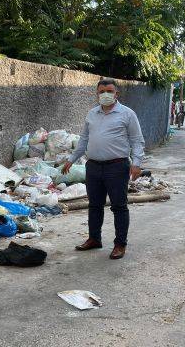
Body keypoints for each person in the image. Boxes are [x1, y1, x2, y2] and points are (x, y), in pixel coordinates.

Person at [62, 78, 145, 259]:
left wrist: (136, 164)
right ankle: (94, 239)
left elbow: (137, 141)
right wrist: (71, 159)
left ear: (117, 93)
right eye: (101, 92)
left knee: (119, 207)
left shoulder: (127, 114)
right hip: (93, 167)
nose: (105, 94)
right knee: (94, 206)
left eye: (109, 91)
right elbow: (84, 139)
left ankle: (120, 244)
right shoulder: (92, 114)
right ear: (97, 94)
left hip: (117, 166)